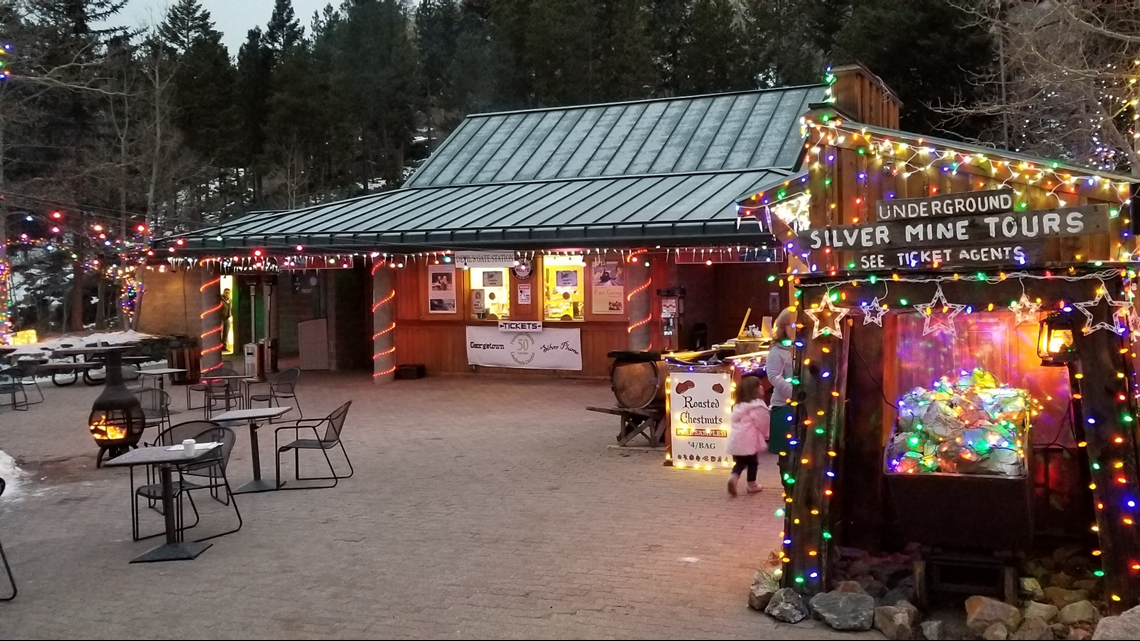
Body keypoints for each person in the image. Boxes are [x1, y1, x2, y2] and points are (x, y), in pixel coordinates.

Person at [767, 308, 797, 485]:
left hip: (802, 405)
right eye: (791, 324)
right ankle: (787, 487)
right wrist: (793, 392)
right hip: (783, 405)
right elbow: (773, 376)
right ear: (783, 326)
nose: (794, 327)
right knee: (785, 451)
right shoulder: (777, 351)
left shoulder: (800, 347)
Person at [726, 376, 769, 496]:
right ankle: (752, 485)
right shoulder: (758, 406)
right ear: (754, 390)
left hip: (737, 438)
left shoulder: (739, 406)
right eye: (758, 385)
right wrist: (766, 435)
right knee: (753, 462)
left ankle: (733, 477)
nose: (761, 387)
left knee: (740, 462)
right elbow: (763, 422)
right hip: (749, 439)